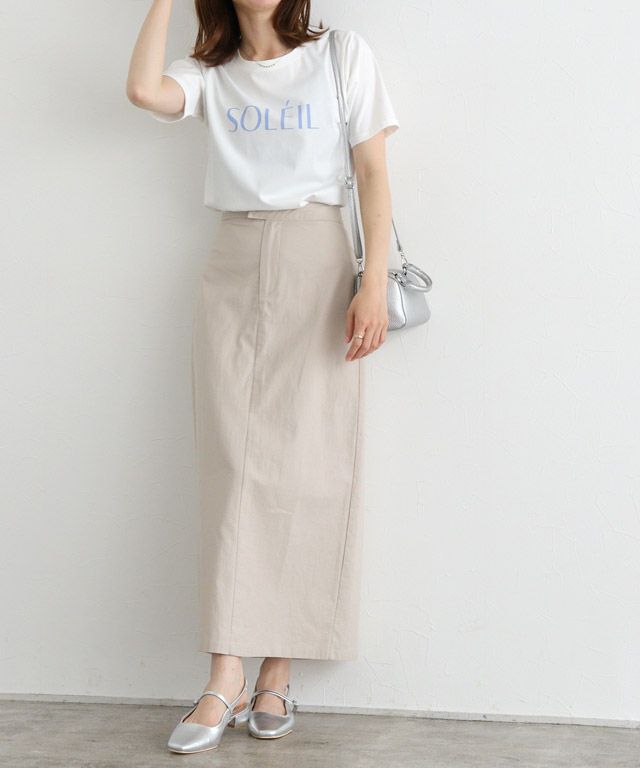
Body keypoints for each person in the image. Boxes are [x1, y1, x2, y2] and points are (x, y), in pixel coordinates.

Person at [126, 0, 400, 753]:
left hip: (318, 253)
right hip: (233, 259)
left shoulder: (340, 54)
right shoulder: (210, 72)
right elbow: (144, 90)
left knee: (310, 464)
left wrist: (373, 282)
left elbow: (372, 170)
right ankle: (226, 674)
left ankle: (277, 669)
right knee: (232, 466)